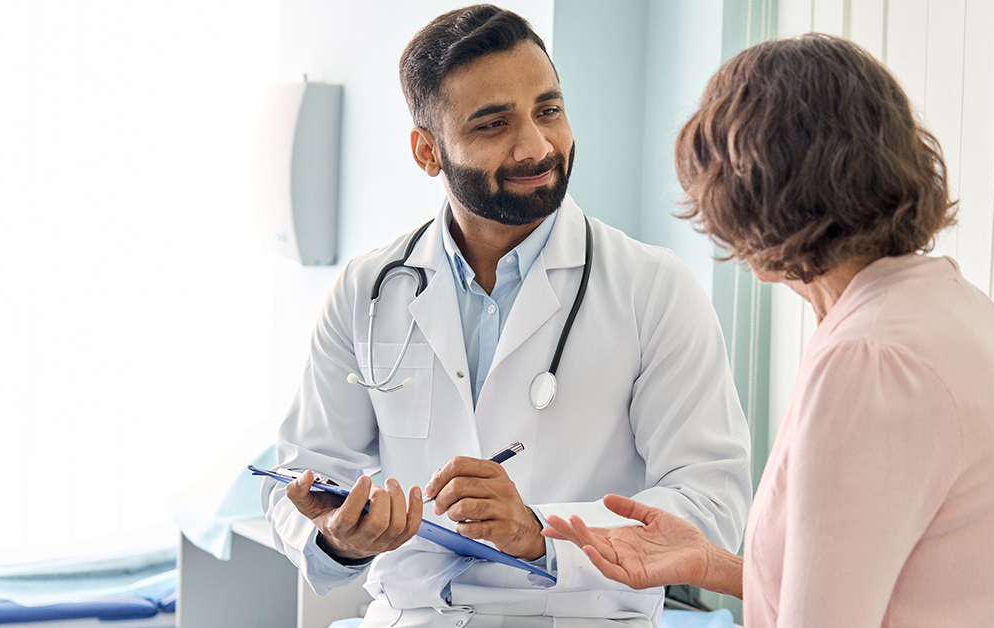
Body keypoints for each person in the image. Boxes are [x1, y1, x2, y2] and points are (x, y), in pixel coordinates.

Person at [261, 5, 753, 627]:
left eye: (548, 110)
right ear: (427, 152)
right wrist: (339, 538)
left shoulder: (652, 290)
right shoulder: (367, 290)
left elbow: (710, 506)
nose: (537, 146)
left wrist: (539, 530)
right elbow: (295, 482)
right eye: (493, 125)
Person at [543, 34, 994, 627]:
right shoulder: (952, 305)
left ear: (753, 198)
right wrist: (709, 563)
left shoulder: (867, 360)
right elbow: (881, 581)